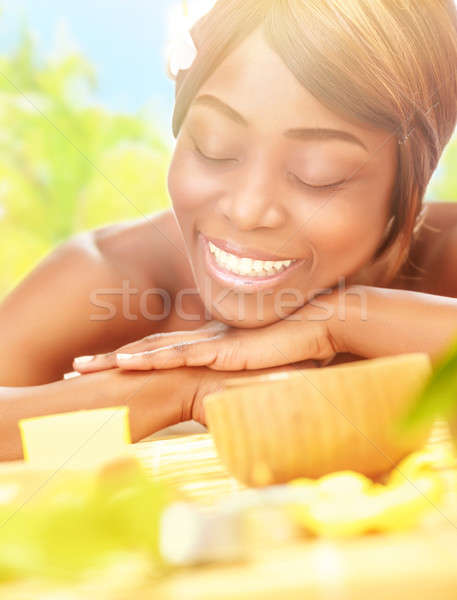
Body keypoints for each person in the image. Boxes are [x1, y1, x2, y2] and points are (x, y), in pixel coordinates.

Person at [0, 0, 457, 461]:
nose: (247, 209)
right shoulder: (111, 275)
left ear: (410, 189)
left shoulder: (446, 255)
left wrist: (340, 323)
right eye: (214, 148)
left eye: (320, 174)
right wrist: (178, 388)